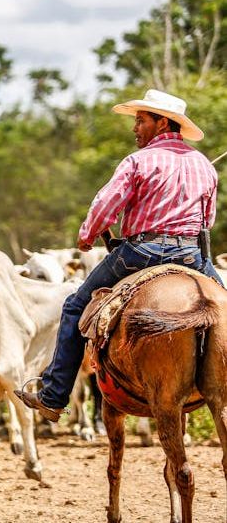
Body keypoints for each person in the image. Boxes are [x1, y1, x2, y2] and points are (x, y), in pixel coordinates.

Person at [16, 89, 222, 422]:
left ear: (162, 123)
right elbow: (208, 220)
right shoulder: (204, 166)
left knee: (74, 306)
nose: (135, 128)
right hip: (190, 256)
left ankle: (54, 396)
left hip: (142, 252)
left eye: (141, 120)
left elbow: (105, 206)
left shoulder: (138, 161)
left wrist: (86, 235)